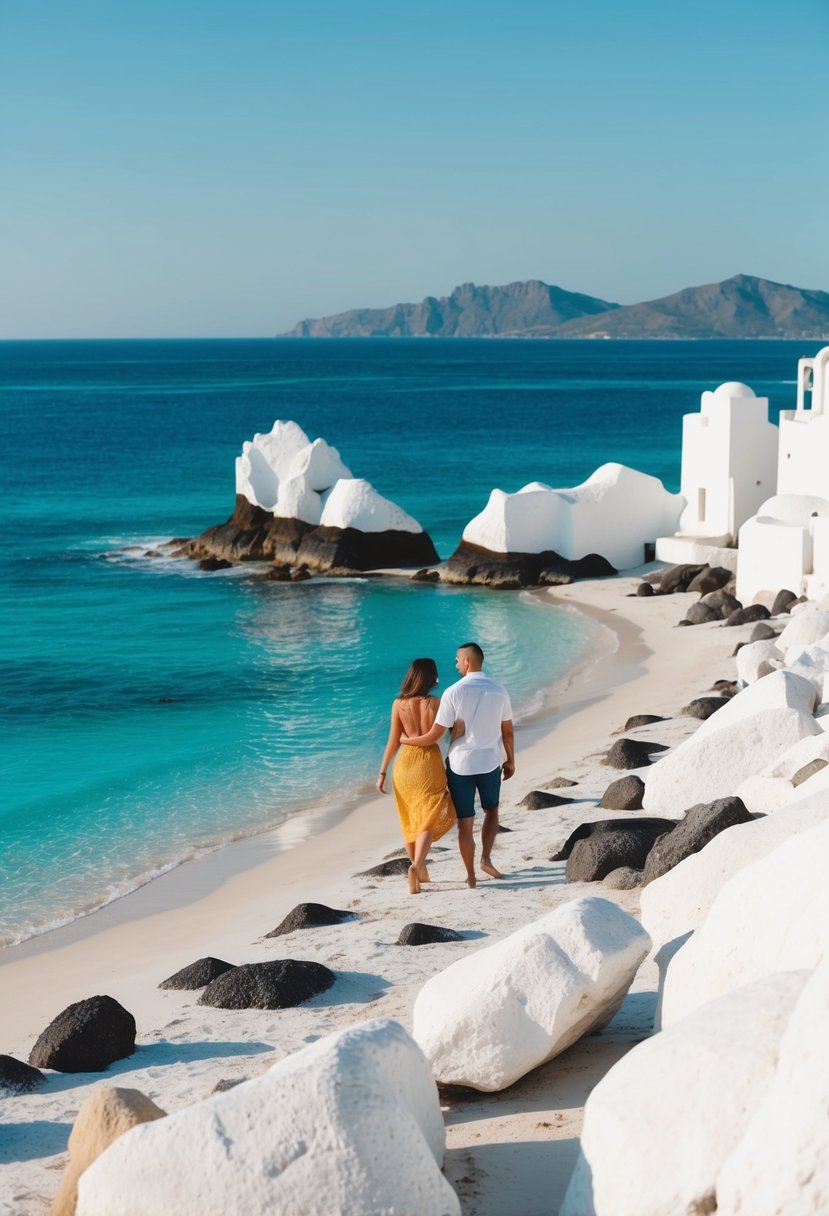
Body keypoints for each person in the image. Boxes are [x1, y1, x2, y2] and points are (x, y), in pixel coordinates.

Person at [401, 641, 514, 888]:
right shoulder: (499, 690)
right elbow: (507, 731)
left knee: (466, 820)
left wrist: (406, 740)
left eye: (456, 660)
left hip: (460, 764)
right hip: (488, 762)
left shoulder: (453, 692)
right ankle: (485, 859)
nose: (455, 664)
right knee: (491, 811)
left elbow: (435, 735)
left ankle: (471, 876)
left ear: (467, 661)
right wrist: (511, 760)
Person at [376, 657, 457, 895]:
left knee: (410, 818)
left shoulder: (398, 704)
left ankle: (421, 875)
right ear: (431, 677)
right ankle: (416, 866)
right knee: (428, 818)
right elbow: (436, 736)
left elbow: (393, 740)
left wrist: (382, 772)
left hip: (403, 765)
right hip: (427, 764)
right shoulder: (435, 703)